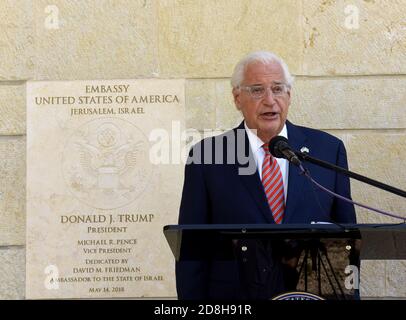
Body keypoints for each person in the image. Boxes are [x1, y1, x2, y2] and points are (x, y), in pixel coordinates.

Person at [176, 51, 357, 300]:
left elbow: (347, 242)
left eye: (278, 89)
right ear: (237, 98)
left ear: (289, 95)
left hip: (311, 295)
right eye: (257, 90)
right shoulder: (208, 156)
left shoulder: (327, 150)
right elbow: (191, 251)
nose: (270, 100)